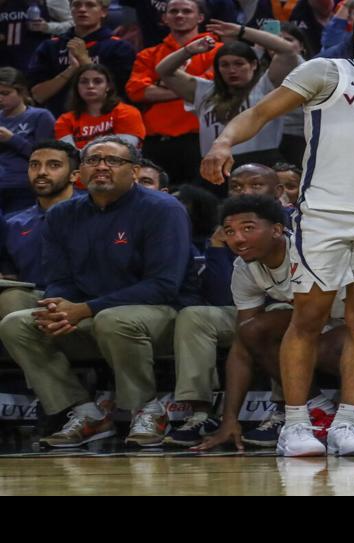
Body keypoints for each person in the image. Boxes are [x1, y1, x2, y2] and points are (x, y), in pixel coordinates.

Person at [200, 2, 354, 456]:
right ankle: (295, 426)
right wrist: (224, 140)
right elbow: (261, 113)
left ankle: (345, 424)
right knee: (308, 316)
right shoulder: (326, 72)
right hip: (325, 213)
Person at [0, 135, 202, 449]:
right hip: (91, 313)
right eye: (93, 161)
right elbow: (60, 278)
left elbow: (163, 285)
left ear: (134, 172)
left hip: (163, 314)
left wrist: (85, 309)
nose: (102, 167)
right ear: (79, 172)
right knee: (17, 324)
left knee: (113, 319)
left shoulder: (164, 209)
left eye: (114, 161)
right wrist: (59, 307)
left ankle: (146, 407)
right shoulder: (62, 215)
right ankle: (85, 412)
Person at [193, 192, 354, 451]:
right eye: (229, 231)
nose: (237, 239)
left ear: (276, 230)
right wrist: (229, 420)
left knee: (332, 345)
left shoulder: (311, 253)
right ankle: (318, 408)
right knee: (253, 332)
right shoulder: (244, 269)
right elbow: (243, 345)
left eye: (248, 228)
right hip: (339, 323)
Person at [155, 23, 302, 173]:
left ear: (253, 65)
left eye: (239, 64)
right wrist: (188, 50)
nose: (232, 70)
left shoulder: (267, 85)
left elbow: (287, 51)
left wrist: (241, 31)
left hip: (263, 162)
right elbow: (163, 71)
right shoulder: (204, 90)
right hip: (214, 164)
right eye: (224, 65)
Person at [127, 0, 215, 197]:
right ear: (164, 18)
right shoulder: (149, 54)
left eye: (186, 11)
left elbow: (212, 88)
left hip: (197, 141)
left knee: (199, 202)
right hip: (156, 142)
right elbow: (136, 91)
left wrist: (161, 84)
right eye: (173, 11)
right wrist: (190, 89)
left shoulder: (216, 51)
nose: (179, 15)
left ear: (200, 17)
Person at [0, 140, 78, 319]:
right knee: (11, 297)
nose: (41, 172)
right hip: (34, 297)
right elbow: (9, 271)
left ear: (74, 175)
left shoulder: (93, 213)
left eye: (54, 165)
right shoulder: (13, 222)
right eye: (34, 165)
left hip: (83, 299)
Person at [27, 0, 135, 108]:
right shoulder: (50, 46)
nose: (82, 9)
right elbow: (38, 95)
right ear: (71, 10)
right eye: (76, 5)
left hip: (104, 118)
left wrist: (85, 61)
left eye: (90, 5)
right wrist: (71, 69)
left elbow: (120, 94)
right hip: (60, 118)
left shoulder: (120, 47)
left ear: (103, 12)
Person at [0, 66, 55, 214]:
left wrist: (12, 139)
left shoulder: (40, 116)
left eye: (5, 93)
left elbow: (45, 156)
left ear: (22, 92)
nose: (0, 98)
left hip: (23, 187)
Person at [53, 63, 145, 150]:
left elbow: (124, 150)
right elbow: (69, 155)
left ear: (108, 86)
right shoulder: (65, 121)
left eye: (97, 81)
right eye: (84, 82)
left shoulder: (127, 113)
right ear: (77, 88)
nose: (90, 86)